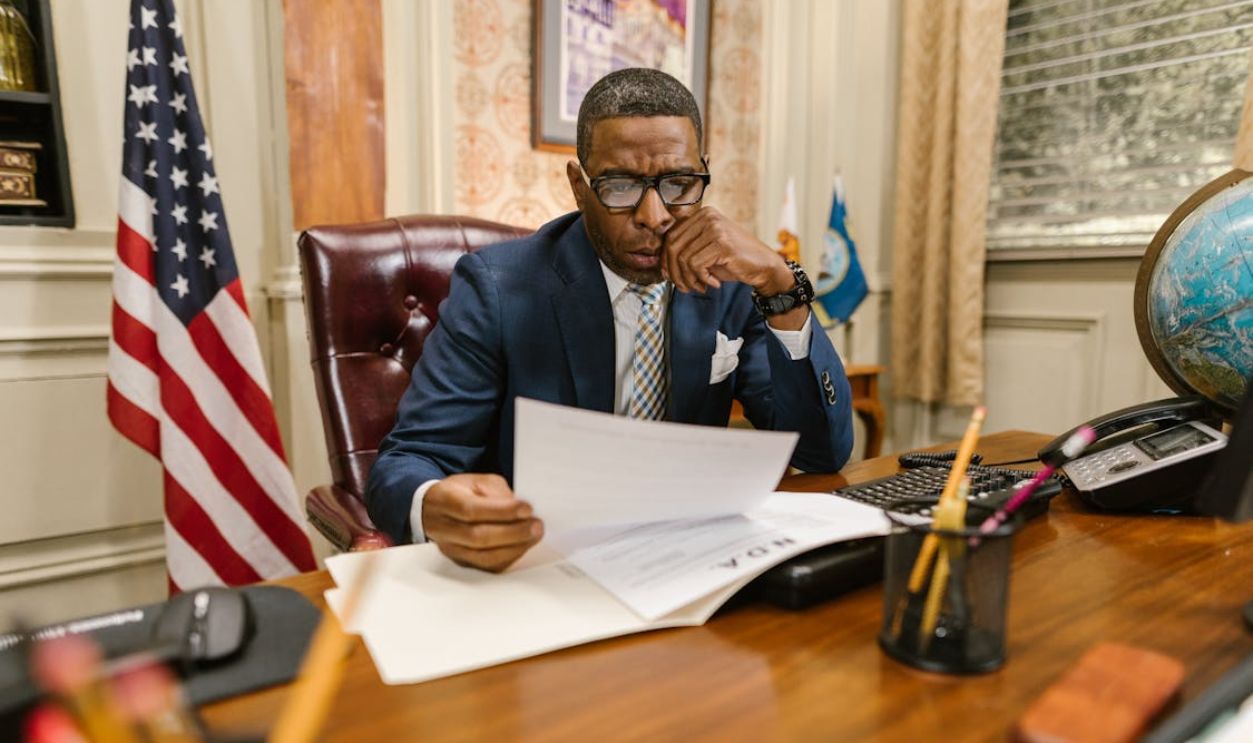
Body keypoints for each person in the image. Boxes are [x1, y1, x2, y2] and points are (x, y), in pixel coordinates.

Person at [366, 68, 854, 571]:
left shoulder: (730, 282)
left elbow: (822, 453)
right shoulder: (498, 289)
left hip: (686, 562)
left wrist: (781, 286)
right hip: (540, 565)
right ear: (579, 185)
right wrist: (435, 505)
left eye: (678, 183)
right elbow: (408, 462)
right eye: (620, 186)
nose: (654, 215)